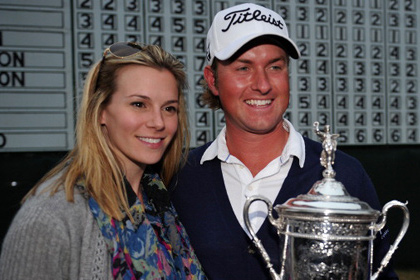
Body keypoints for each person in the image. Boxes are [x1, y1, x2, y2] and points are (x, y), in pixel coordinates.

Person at [170, 3, 398, 280]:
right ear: (213, 80)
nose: (263, 84)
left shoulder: (346, 174)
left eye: (275, 66)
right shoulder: (180, 177)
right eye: (243, 68)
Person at [0, 42, 206, 280]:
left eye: (169, 108)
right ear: (101, 111)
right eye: (139, 104)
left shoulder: (161, 201)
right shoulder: (50, 216)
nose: (158, 122)